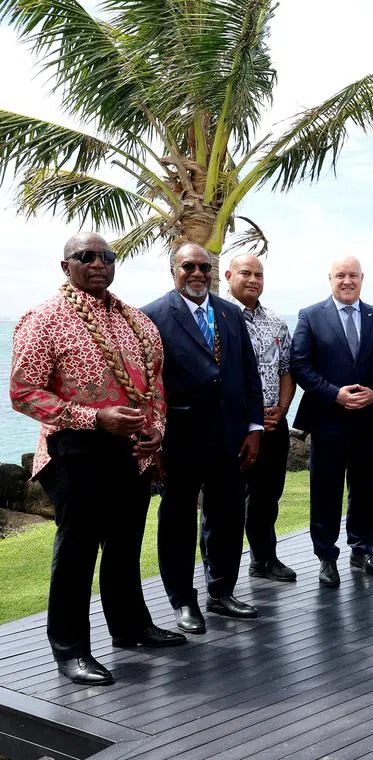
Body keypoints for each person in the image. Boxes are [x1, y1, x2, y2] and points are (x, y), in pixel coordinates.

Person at [10, 233, 185, 685]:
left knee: (125, 545)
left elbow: (156, 387)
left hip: (132, 452)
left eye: (106, 256)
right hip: (75, 451)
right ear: (65, 265)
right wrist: (94, 417)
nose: (98, 263)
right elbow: (23, 393)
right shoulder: (44, 319)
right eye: (85, 256)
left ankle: (131, 627)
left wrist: (157, 431)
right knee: (77, 552)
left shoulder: (137, 321)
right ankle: (70, 649)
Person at [142, 243, 264, 634]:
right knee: (177, 522)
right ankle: (183, 600)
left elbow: (249, 373)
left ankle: (221, 591)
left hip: (230, 438)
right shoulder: (152, 316)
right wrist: (154, 440)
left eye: (204, 267)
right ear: (173, 271)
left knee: (227, 517)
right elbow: (147, 385)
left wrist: (254, 428)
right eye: (188, 266)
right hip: (180, 440)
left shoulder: (229, 312)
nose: (198, 273)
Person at [291, 255, 373, 588]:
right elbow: (301, 366)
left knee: (365, 489)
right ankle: (326, 557)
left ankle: (362, 550)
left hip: (368, 419)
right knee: (326, 490)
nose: (347, 281)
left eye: (353, 275)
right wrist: (335, 394)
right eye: (340, 276)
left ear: (362, 278)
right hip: (327, 419)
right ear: (330, 279)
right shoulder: (310, 316)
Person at [224, 254, 297, 583]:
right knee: (225, 502)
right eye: (246, 273)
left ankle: (264, 559)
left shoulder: (276, 322)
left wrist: (281, 409)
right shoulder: (217, 316)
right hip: (233, 427)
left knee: (267, 497)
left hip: (273, 424)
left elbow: (286, 371)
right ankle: (219, 575)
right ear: (229, 276)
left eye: (259, 274)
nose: (253, 280)